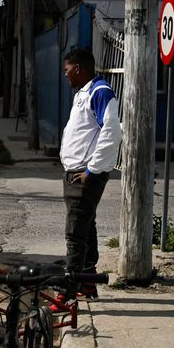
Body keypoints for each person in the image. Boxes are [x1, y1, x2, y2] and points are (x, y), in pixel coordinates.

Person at [59, 47, 120, 291]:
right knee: (86, 227)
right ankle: (87, 282)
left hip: (84, 175)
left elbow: (112, 131)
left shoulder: (100, 91)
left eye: (67, 70)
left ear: (78, 68)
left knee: (75, 234)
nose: (66, 76)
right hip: (75, 172)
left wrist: (91, 170)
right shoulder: (83, 93)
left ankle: (68, 292)